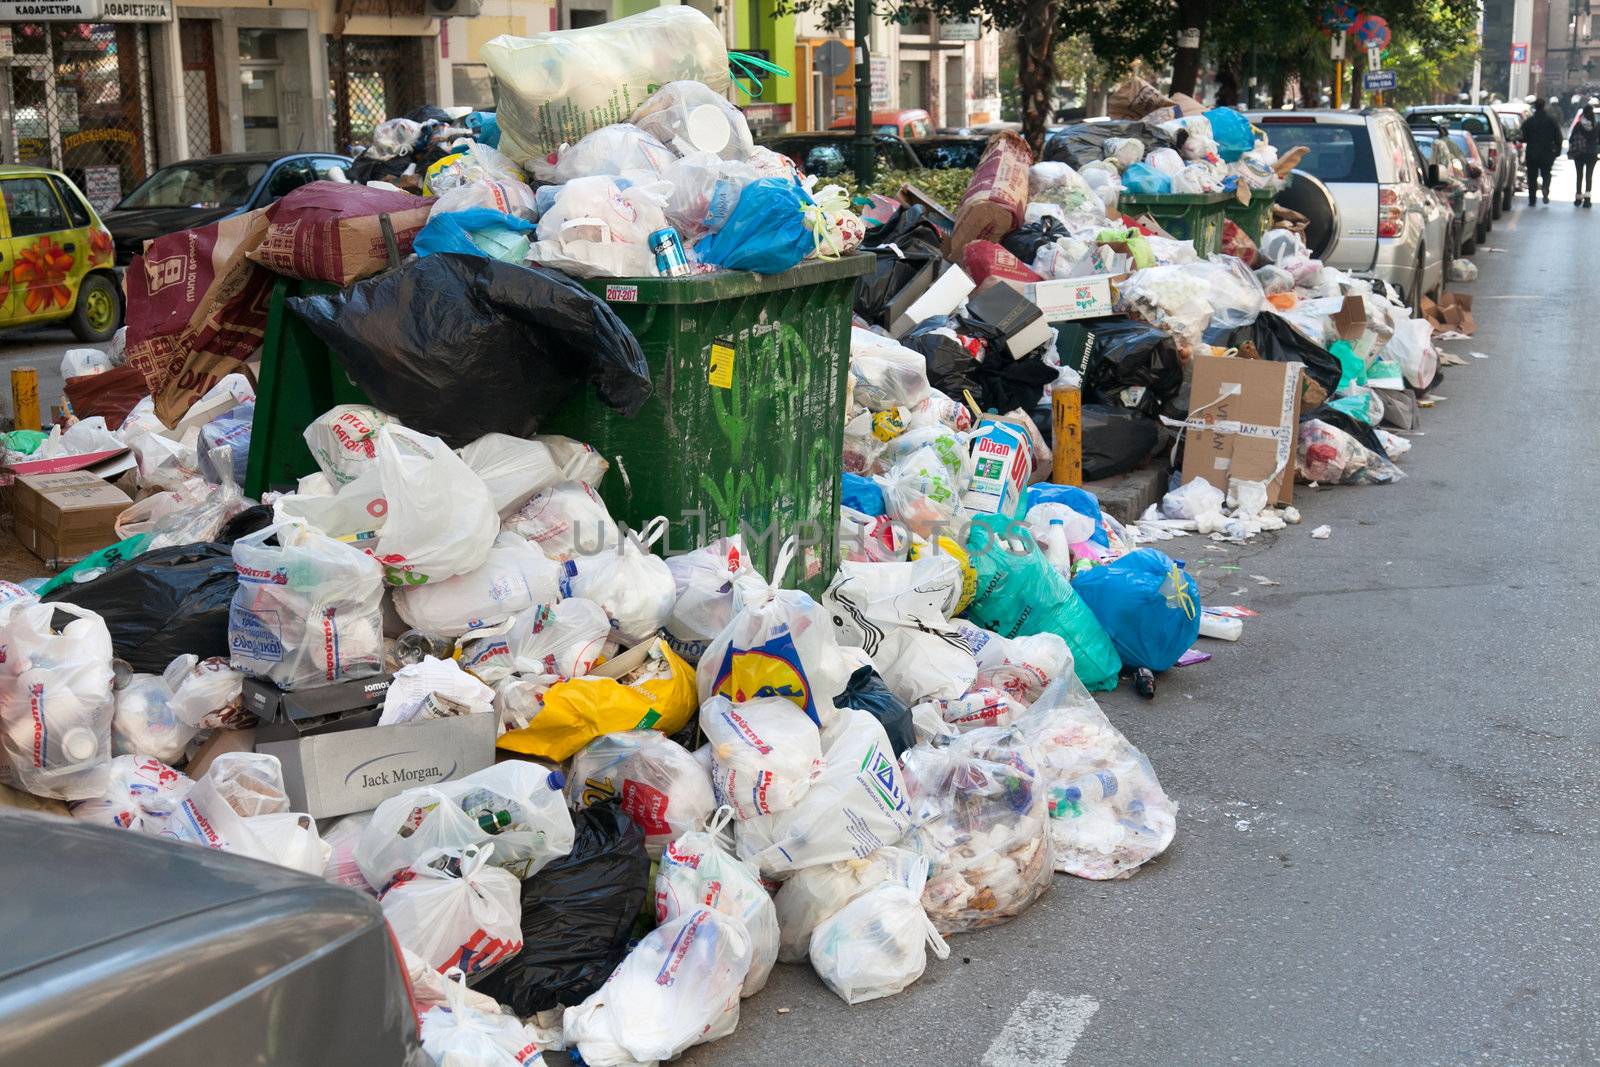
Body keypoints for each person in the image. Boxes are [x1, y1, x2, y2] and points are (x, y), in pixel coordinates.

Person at [1523, 98, 1562, 205]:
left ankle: (1532, 200)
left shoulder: (1529, 121)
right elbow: (1558, 137)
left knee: (1532, 176)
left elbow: (1523, 137)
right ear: (1544, 106)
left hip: (1532, 153)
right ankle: (1545, 188)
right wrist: (1557, 151)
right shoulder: (1551, 121)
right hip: (1547, 152)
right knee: (1546, 173)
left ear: (1535, 107)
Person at [1570, 104, 1599, 207]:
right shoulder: (1596, 126)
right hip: (1592, 153)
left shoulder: (1578, 125)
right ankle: (1587, 199)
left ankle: (1578, 197)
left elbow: (1571, 139)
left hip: (1580, 153)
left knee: (1579, 175)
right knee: (1589, 175)